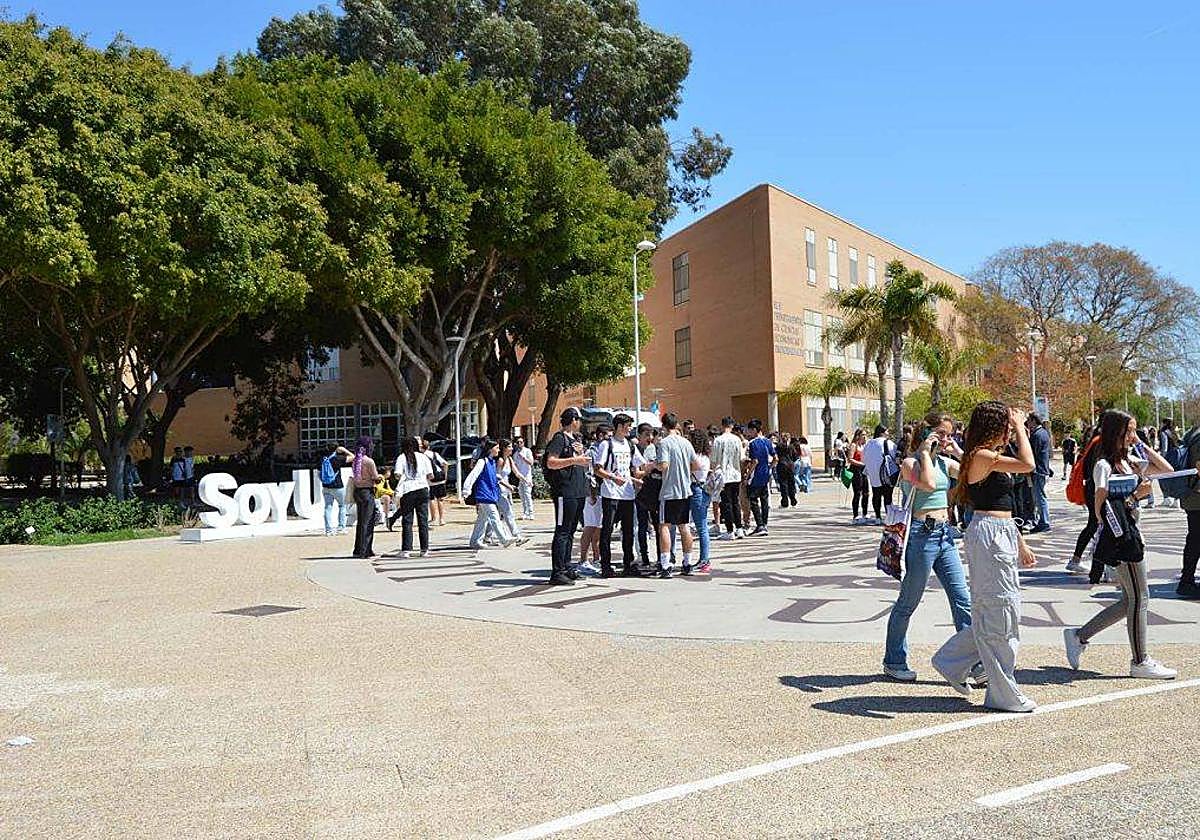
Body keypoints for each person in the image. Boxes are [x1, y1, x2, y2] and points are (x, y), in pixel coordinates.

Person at [933, 401, 1038, 712]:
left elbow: (1000, 503)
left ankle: (951, 661)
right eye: (1005, 425)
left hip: (998, 531)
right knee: (1000, 612)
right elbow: (1029, 464)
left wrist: (1020, 542)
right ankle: (1002, 693)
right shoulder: (982, 456)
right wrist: (1020, 427)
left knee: (995, 611)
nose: (1010, 430)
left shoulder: (983, 455)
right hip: (990, 534)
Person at [1064, 410, 1177, 679]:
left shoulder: (1130, 461)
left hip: (1132, 532)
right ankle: (1140, 660)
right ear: (1116, 432)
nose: (1132, 436)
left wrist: (1142, 444)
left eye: (1134, 430)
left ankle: (1079, 636)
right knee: (1140, 598)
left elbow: (1167, 469)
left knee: (1130, 600)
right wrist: (1135, 496)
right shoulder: (1103, 466)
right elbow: (1101, 510)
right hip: (1120, 538)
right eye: (1129, 431)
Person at [882, 412, 976, 684]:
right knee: (908, 602)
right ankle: (894, 660)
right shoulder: (910, 463)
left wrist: (958, 451)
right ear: (927, 433)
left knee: (962, 599)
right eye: (941, 434)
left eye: (950, 434)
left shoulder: (945, 463)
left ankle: (973, 661)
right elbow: (928, 483)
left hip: (945, 534)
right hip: (921, 536)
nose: (946, 439)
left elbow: (973, 473)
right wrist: (924, 451)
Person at [594, 414, 645, 577]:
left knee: (628, 531)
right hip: (610, 493)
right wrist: (612, 478)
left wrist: (642, 475)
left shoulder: (630, 445)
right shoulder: (606, 444)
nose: (630, 428)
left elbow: (639, 466)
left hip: (628, 494)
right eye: (628, 425)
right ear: (620, 426)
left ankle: (628, 563)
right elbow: (597, 469)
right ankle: (606, 565)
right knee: (607, 530)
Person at [544, 408, 590, 585]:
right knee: (562, 531)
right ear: (573, 420)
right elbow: (551, 462)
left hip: (578, 491)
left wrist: (581, 455)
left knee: (571, 531)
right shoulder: (559, 438)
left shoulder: (575, 440)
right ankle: (557, 571)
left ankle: (567, 567)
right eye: (579, 420)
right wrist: (575, 460)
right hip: (565, 491)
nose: (580, 423)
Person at [650, 413, 700, 577]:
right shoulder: (686, 442)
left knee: (664, 526)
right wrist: (684, 471)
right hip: (685, 490)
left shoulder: (664, 443)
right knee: (684, 526)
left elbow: (663, 465)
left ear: (663, 426)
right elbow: (696, 465)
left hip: (669, 490)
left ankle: (666, 565)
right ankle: (687, 562)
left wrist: (653, 466)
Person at [464, 439, 517, 551]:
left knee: (482, 520)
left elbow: (494, 476)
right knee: (494, 517)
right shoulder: (482, 462)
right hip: (484, 494)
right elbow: (473, 475)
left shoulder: (491, 462)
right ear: (490, 449)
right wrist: (466, 490)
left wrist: (502, 481)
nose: (499, 450)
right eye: (496, 448)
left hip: (490, 494)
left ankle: (475, 541)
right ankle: (504, 539)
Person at [393, 437, 434, 558]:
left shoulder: (402, 457)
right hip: (423, 489)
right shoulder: (424, 457)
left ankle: (406, 549)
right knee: (423, 520)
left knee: (407, 520)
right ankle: (424, 549)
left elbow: (397, 474)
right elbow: (431, 475)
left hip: (408, 490)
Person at [578, 427, 609, 574]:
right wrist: (591, 493)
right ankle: (583, 560)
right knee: (590, 526)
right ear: (600, 435)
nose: (609, 438)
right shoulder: (592, 451)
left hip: (603, 492)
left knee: (598, 527)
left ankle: (597, 558)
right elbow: (588, 473)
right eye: (607, 435)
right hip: (593, 493)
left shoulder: (605, 449)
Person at [711, 416, 746, 540]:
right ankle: (739, 528)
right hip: (735, 474)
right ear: (732, 426)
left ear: (722, 425)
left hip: (723, 475)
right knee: (735, 502)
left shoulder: (718, 440)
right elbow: (742, 458)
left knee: (726, 503)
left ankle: (730, 530)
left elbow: (714, 460)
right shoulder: (737, 439)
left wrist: (712, 472)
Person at [1176, 423, 1200, 599]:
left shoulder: (1194, 432)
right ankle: (1186, 582)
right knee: (1195, 540)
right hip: (1196, 496)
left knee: (1195, 539)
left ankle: (1187, 580)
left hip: (1192, 495)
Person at [348, 435, 380, 559]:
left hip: (358, 491)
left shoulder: (356, 460)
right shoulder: (369, 461)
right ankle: (365, 550)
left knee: (361, 521)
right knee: (368, 521)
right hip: (367, 491)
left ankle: (358, 549)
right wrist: (380, 477)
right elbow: (375, 477)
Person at [688, 428, 715, 574]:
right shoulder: (705, 457)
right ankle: (704, 559)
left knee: (701, 527)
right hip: (704, 490)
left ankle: (705, 559)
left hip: (696, 489)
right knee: (702, 526)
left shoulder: (695, 458)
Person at [745, 419, 776, 535]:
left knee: (753, 499)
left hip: (756, 475)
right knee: (764, 499)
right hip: (765, 474)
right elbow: (775, 458)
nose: (748, 432)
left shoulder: (753, 443)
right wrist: (769, 468)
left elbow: (755, 461)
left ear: (754, 430)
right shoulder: (768, 441)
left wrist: (748, 475)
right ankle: (764, 523)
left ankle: (760, 525)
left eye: (749, 430)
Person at [861, 424, 898, 524]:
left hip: (873, 474)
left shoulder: (869, 443)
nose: (888, 433)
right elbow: (895, 457)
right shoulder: (888, 443)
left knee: (876, 495)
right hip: (886, 474)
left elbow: (863, 458)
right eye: (887, 431)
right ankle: (888, 517)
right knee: (888, 496)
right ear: (882, 432)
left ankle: (878, 517)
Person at [495, 438, 525, 544]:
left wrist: (526, 481)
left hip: (506, 491)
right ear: (504, 448)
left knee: (495, 514)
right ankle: (517, 536)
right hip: (499, 490)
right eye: (509, 447)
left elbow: (517, 473)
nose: (512, 448)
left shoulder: (509, 459)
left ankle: (487, 536)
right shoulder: (500, 460)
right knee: (508, 513)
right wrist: (508, 486)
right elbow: (497, 477)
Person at [320, 442, 352, 536]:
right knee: (342, 506)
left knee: (328, 507)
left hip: (326, 486)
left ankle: (328, 530)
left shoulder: (323, 459)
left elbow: (319, 473)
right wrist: (344, 450)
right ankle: (341, 527)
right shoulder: (338, 458)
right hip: (338, 486)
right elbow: (353, 457)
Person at [1026, 414, 1052, 532]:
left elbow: (1032, 454)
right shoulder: (1043, 433)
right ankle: (1042, 521)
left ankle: (1044, 522)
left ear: (1033, 421)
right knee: (1039, 496)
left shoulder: (1037, 435)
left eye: (1029, 420)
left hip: (1038, 470)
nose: (1028, 423)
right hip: (1042, 469)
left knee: (1039, 497)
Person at [423, 438, 448, 527]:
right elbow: (445, 464)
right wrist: (445, 476)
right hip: (440, 479)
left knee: (431, 499)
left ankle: (433, 518)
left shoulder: (421, 456)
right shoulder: (435, 454)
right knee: (440, 499)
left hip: (429, 481)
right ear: (429, 447)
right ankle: (442, 519)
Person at [848, 429, 869, 524]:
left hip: (864, 471)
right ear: (858, 435)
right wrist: (861, 464)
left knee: (866, 492)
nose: (864, 437)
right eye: (863, 435)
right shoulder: (854, 445)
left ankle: (865, 513)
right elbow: (850, 459)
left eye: (865, 435)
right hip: (856, 470)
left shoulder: (864, 446)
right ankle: (855, 515)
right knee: (857, 493)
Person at [512, 436, 535, 519]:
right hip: (520, 477)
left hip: (527, 476)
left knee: (527, 494)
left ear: (523, 443)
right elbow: (514, 465)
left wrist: (523, 458)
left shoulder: (527, 451)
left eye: (521, 442)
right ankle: (525, 512)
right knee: (522, 495)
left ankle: (531, 513)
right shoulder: (515, 454)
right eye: (518, 442)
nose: (519, 444)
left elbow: (531, 462)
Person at [1157, 420, 1180, 509]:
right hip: (1176, 456)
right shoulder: (1174, 433)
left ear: (1164, 424)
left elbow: (1165, 448)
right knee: (1176, 478)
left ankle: (1166, 498)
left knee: (1162, 477)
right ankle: (1176, 500)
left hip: (1168, 457)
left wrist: (1161, 458)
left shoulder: (1163, 433)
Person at [775, 434, 798, 507]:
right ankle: (793, 500)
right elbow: (795, 457)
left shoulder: (778, 446)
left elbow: (775, 455)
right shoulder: (791, 447)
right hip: (790, 466)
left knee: (783, 484)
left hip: (781, 465)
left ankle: (785, 501)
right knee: (791, 483)